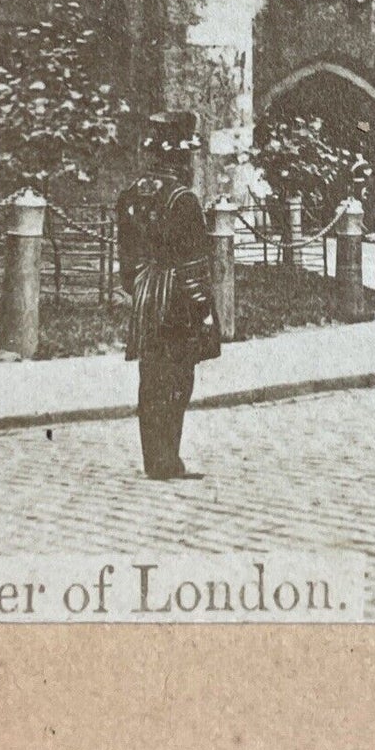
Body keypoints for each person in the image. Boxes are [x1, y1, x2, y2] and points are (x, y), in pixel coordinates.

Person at [116, 111, 222, 480]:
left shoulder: (130, 195)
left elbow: (126, 261)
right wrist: (205, 311)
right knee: (178, 378)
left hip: (145, 295)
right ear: (179, 157)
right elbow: (194, 263)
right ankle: (168, 459)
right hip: (177, 299)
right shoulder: (183, 200)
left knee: (150, 377)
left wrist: (141, 286)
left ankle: (153, 459)